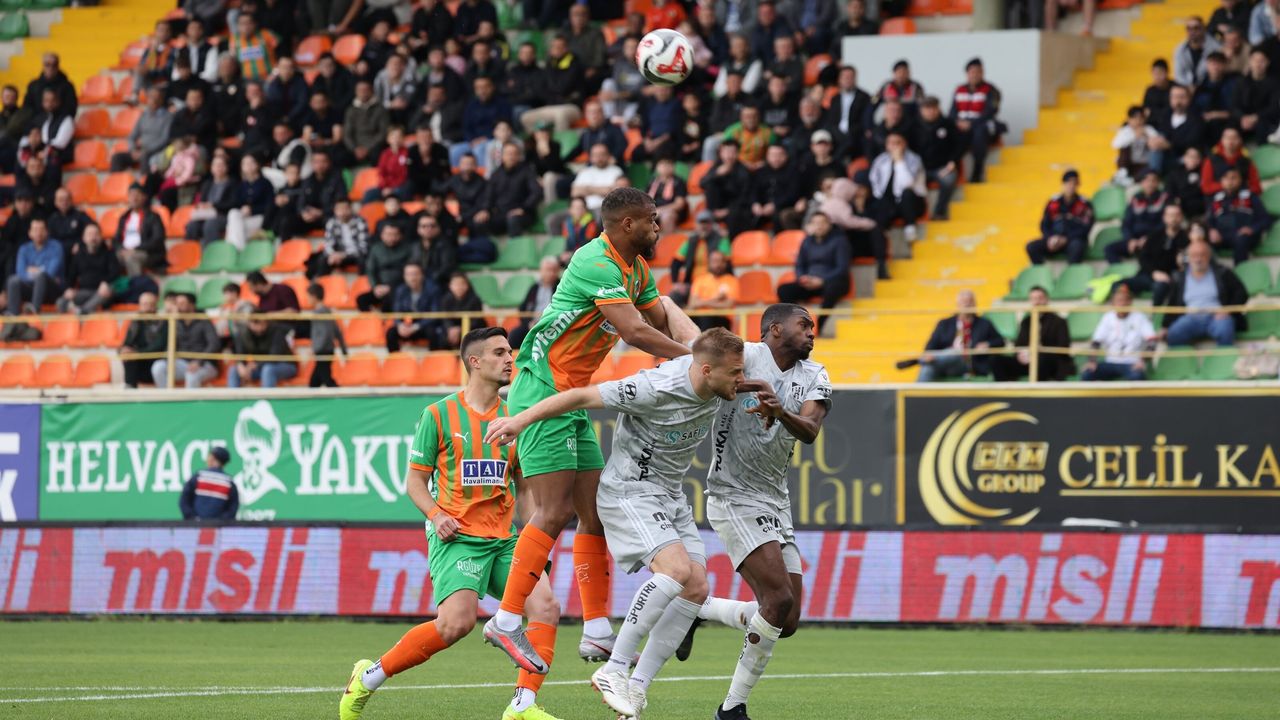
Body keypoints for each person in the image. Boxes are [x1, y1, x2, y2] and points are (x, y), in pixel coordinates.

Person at [478, 187, 698, 675]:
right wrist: (697, 360)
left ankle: (597, 629)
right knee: (552, 511)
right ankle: (506, 618)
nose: (659, 227)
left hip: (571, 395)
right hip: (542, 389)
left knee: (593, 514)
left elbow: (658, 319)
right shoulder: (595, 261)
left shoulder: (636, 269)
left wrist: (692, 338)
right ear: (627, 224)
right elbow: (635, 332)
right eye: (652, 219)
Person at [483, 329, 756, 719]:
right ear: (707, 370)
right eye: (735, 373)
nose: (741, 380)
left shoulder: (718, 375)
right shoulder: (652, 388)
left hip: (671, 495)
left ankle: (637, 687)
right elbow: (579, 397)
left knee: (696, 588)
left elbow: (687, 329)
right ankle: (613, 668)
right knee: (676, 571)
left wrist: (662, 301)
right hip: (631, 491)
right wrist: (520, 420)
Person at [339, 327, 565, 720]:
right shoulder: (438, 415)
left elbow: (524, 487)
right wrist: (436, 514)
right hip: (457, 536)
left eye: (510, 352)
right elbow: (415, 481)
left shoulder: (514, 419)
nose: (509, 359)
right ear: (474, 362)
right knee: (455, 625)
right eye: (499, 353)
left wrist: (534, 537)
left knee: (545, 607)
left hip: (505, 540)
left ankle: (522, 706)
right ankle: (368, 676)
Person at [670, 305, 829, 720]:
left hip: (776, 500)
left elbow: (811, 430)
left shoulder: (815, 374)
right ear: (775, 329)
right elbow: (702, 365)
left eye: (813, 326)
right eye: (804, 325)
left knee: (787, 619)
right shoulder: (744, 356)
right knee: (777, 599)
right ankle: (732, 708)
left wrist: (780, 410)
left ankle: (696, 608)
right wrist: (756, 385)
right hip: (732, 495)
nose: (812, 331)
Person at [776, 213, 851, 335]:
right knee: (784, 290)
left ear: (829, 225)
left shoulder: (839, 241)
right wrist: (802, 278)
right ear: (810, 225)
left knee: (833, 288)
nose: (819, 226)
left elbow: (841, 268)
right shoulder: (807, 241)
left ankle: (818, 325)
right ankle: (798, 322)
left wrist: (822, 281)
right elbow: (800, 264)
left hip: (831, 282)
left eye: (822, 223)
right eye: (815, 223)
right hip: (810, 282)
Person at [1163, 240, 1249, 346]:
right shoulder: (1180, 278)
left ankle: (1223, 357)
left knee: (1225, 330)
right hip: (1190, 318)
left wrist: (1227, 310)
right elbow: (1172, 304)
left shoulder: (1223, 273)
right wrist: (1165, 327)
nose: (1198, 259)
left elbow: (1241, 293)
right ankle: (1189, 357)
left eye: (1202, 255)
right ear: (1188, 257)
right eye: (1194, 255)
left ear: (1209, 256)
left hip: (1216, 317)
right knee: (1173, 335)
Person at [915, 289, 1006, 381]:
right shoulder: (944, 324)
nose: (967, 304)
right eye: (963, 301)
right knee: (928, 367)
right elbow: (931, 345)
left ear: (975, 304)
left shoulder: (984, 324)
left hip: (969, 366)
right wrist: (928, 355)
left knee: (951, 353)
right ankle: (916, 390)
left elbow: (1000, 341)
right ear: (957, 305)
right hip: (945, 365)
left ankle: (920, 361)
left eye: (970, 301)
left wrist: (988, 344)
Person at [990, 286, 1075, 382]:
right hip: (1028, 362)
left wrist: (1035, 353)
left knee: (1041, 359)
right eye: (1033, 299)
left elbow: (1063, 347)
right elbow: (1019, 344)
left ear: (1046, 300)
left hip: (1050, 363)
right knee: (996, 360)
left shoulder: (1059, 322)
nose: (1037, 302)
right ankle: (1006, 390)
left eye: (1040, 298)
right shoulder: (1026, 322)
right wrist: (1021, 355)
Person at [1081, 282, 1156, 381]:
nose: (1123, 303)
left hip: (1132, 362)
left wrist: (1142, 361)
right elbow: (1096, 342)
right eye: (1119, 300)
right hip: (1111, 361)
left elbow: (1152, 342)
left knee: (1137, 376)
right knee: (1087, 374)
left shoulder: (1140, 317)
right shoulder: (1107, 317)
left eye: (1126, 300)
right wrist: (1092, 361)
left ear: (1130, 302)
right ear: (1113, 303)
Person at [950, 58, 1004, 182]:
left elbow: (990, 112)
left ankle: (977, 172)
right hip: (962, 126)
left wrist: (971, 123)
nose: (974, 75)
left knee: (979, 133)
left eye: (978, 71)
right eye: (972, 72)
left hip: (981, 127)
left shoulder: (991, 90)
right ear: (967, 73)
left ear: (982, 73)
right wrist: (958, 122)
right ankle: (954, 172)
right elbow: (952, 112)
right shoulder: (959, 89)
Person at [152, 292, 220, 389]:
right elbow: (161, 336)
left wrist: (199, 362)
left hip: (205, 364)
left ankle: (190, 400)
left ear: (192, 305)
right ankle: (167, 397)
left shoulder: (204, 320)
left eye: (182, 303)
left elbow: (214, 344)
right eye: (177, 303)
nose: (178, 306)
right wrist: (169, 316)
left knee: (191, 375)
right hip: (183, 363)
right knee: (158, 367)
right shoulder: (176, 322)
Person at [1026, 170, 1095, 265]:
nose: (1071, 186)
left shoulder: (1084, 204)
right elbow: (1044, 225)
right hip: (1054, 239)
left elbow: (1085, 228)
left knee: (1077, 246)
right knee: (1031, 247)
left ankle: (1072, 272)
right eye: (1068, 183)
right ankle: (1041, 271)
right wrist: (1050, 238)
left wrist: (1066, 239)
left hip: (1073, 240)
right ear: (1063, 184)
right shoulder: (1053, 203)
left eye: (1074, 183)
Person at [1126, 204, 1190, 305]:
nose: (1173, 219)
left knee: (1160, 286)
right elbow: (1143, 257)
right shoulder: (1154, 235)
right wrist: (1154, 272)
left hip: (1169, 279)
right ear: (1164, 217)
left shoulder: (1186, 238)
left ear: (1181, 217)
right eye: (1170, 215)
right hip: (1149, 275)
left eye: (1177, 215)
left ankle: (1155, 313)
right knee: (1118, 285)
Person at [869, 131, 927, 242]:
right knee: (878, 204)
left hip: (912, 202)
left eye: (897, 143)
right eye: (891, 143)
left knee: (907, 194)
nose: (894, 146)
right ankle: (881, 237)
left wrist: (899, 161)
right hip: (891, 202)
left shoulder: (914, 159)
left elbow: (907, 183)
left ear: (904, 144)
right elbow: (874, 179)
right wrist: (879, 196)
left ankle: (910, 228)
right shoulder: (881, 160)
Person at [1206, 166, 1273, 263]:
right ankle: (1212, 271)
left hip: (1244, 236)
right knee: (1201, 238)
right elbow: (1210, 220)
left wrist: (1252, 229)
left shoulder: (1250, 196)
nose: (1230, 181)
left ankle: (1240, 270)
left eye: (1233, 178)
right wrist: (1212, 230)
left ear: (1240, 179)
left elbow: (1265, 219)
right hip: (1223, 236)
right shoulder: (1217, 199)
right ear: (1221, 181)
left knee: (1241, 239)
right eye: (1226, 178)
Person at [3, 218, 61, 323]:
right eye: (35, 230)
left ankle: (34, 310)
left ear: (47, 232)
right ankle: (13, 316)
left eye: (41, 229)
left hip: (50, 290)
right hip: (31, 288)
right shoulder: (24, 249)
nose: (38, 233)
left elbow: (50, 272)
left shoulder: (56, 247)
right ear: (30, 233)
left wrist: (33, 271)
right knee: (13, 280)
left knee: (41, 276)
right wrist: (39, 270)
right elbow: (20, 272)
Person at [1107, 169, 1172, 263]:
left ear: (1158, 183)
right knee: (1109, 249)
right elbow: (1126, 223)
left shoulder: (1164, 198)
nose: (1150, 184)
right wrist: (1130, 240)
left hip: (1155, 239)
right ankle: (1120, 270)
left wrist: (1149, 238)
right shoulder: (1135, 199)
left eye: (1153, 180)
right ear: (1141, 183)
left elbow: (1165, 223)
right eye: (1146, 180)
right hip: (1135, 240)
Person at [670, 210, 732, 308]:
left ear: (712, 224)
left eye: (706, 223)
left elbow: (726, 263)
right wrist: (676, 283)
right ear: (696, 225)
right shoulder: (690, 241)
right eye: (701, 223)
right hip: (692, 283)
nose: (703, 226)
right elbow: (676, 262)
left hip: (714, 282)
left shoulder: (721, 240)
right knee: (674, 297)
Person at [914, 97, 962, 221]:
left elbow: (958, 145)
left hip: (942, 168)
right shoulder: (913, 126)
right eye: (927, 108)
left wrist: (952, 162)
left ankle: (939, 212)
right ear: (921, 110)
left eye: (934, 108)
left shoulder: (948, 124)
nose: (931, 111)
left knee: (948, 180)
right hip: (919, 169)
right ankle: (915, 216)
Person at [480, 142, 542, 236]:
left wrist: (523, 208)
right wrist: (485, 210)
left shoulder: (527, 171)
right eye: (508, 154)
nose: (511, 157)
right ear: (502, 156)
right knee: (480, 221)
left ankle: (515, 244)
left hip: (523, 213)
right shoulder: (496, 174)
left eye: (514, 154)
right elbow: (489, 195)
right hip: (501, 213)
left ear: (519, 156)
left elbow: (537, 192)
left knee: (513, 220)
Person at [57, 224, 120, 315]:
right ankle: (79, 311)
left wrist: (106, 282)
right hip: (84, 292)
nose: (93, 238)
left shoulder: (109, 253)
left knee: (107, 291)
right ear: (84, 238)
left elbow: (115, 272)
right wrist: (69, 288)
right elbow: (71, 275)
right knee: (60, 302)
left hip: (102, 292)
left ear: (101, 237)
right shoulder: (79, 255)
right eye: (90, 234)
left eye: (96, 234)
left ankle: (83, 311)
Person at [111, 86, 173, 172]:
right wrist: (133, 150)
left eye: (157, 98)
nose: (154, 100)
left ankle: (143, 180)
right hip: (140, 150)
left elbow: (164, 140)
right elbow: (132, 136)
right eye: (151, 97)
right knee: (117, 158)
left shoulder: (168, 117)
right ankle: (116, 180)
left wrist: (145, 151)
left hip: (155, 152)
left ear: (161, 100)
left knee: (145, 157)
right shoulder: (144, 115)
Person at [702, 139, 755, 239]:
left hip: (736, 209)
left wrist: (727, 210)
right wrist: (716, 174)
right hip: (716, 208)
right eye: (726, 152)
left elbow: (745, 197)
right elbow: (702, 184)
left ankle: (731, 242)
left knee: (736, 216)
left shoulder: (743, 171)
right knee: (710, 185)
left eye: (732, 152)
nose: (729, 155)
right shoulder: (717, 167)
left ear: (737, 154)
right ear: (721, 153)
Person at [229, 312, 297, 388]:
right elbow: (240, 353)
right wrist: (240, 364)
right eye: (255, 323)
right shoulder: (245, 333)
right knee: (234, 370)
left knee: (268, 369)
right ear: (249, 323)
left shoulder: (276, 331)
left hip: (285, 365)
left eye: (260, 323)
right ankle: (232, 395)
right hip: (259, 368)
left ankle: (266, 396)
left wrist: (255, 365)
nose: (259, 326)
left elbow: (274, 357)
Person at [749, 144, 804, 231]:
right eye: (773, 155)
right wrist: (755, 203)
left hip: (783, 206)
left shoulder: (794, 172)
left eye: (779, 155)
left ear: (785, 156)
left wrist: (775, 205)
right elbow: (753, 190)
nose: (776, 158)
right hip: (762, 207)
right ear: (767, 156)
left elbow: (793, 194)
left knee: (778, 216)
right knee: (744, 215)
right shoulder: (760, 172)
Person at [311, 199, 369, 278]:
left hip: (354, 254)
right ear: (335, 211)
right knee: (322, 259)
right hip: (338, 255)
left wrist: (343, 255)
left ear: (350, 209)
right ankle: (321, 283)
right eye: (339, 209)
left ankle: (362, 282)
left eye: (345, 208)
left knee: (363, 259)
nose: (342, 212)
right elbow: (328, 244)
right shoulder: (331, 223)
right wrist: (333, 254)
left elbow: (363, 247)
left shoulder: (360, 222)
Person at [385, 263, 437, 352]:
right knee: (391, 333)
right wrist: (400, 325)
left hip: (423, 325)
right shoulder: (400, 290)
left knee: (433, 332)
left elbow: (435, 314)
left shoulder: (433, 290)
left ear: (422, 275)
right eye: (408, 274)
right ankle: (394, 359)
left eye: (415, 274)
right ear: (404, 276)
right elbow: (397, 311)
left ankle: (434, 359)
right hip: (406, 324)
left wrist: (416, 327)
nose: (412, 278)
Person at [510, 257, 559, 349]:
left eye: (554, 270)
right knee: (514, 336)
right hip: (532, 324)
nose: (551, 273)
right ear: (541, 271)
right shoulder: (534, 288)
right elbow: (522, 309)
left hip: (552, 325)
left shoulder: (561, 287)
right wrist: (529, 323)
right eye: (548, 270)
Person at [178, 447, 238, 521]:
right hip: (219, 527)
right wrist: (219, 522)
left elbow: (184, 501)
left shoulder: (198, 477)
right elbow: (232, 509)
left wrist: (194, 519)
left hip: (196, 526)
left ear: (212, 458)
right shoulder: (229, 483)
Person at [120, 292, 166, 388]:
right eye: (145, 304)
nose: (148, 308)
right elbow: (127, 343)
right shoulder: (135, 323)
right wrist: (123, 349)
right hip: (140, 364)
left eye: (151, 304)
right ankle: (130, 387)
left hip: (156, 363)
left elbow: (159, 345)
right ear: (140, 306)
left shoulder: (163, 323)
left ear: (155, 306)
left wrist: (137, 353)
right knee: (128, 355)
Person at [687, 250, 739, 330]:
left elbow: (727, 305)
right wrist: (716, 299)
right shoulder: (700, 280)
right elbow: (692, 304)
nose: (717, 264)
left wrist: (702, 302)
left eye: (720, 261)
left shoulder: (732, 281)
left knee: (707, 319)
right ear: (709, 263)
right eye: (714, 261)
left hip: (721, 319)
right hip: (699, 318)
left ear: (725, 264)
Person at [433, 272, 486, 350]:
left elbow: (477, 320)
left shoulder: (475, 300)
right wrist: (450, 328)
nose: (459, 287)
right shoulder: (446, 299)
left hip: (471, 328)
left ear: (467, 285)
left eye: (462, 284)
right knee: (439, 335)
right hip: (452, 330)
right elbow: (445, 318)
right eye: (456, 284)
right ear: (450, 286)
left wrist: (460, 329)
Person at [1112, 106, 1167, 181]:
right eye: (1135, 118)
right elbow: (1115, 144)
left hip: (1145, 163)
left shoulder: (1148, 129)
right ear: (1129, 119)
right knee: (1124, 147)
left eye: (1140, 118)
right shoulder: (1125, 131)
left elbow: (1158, 143)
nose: (1138, 121)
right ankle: (1123, 172)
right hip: (1129, 163)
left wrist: (1146, 137)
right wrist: (1134, 137)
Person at [570, 143, 624, 212]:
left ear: (608, 155)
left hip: (608, 210)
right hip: (585, 210)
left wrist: (586, 189)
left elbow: (617, 193)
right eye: (596, 155)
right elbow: (574, 192)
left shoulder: (616, 171)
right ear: (591, 157)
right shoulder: (584, 172)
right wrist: (604, 190)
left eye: (602, 154)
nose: (599, 158)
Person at [1175, 16, 1223, 87]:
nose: (1192, 32)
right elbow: (1179, 76)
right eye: (1189, 28)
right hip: (1187, 88)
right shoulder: (1180, 49)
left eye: (1196, 28)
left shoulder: (1216, 48)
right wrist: (1188, 88)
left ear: (1203, 29)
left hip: (1211, 87)